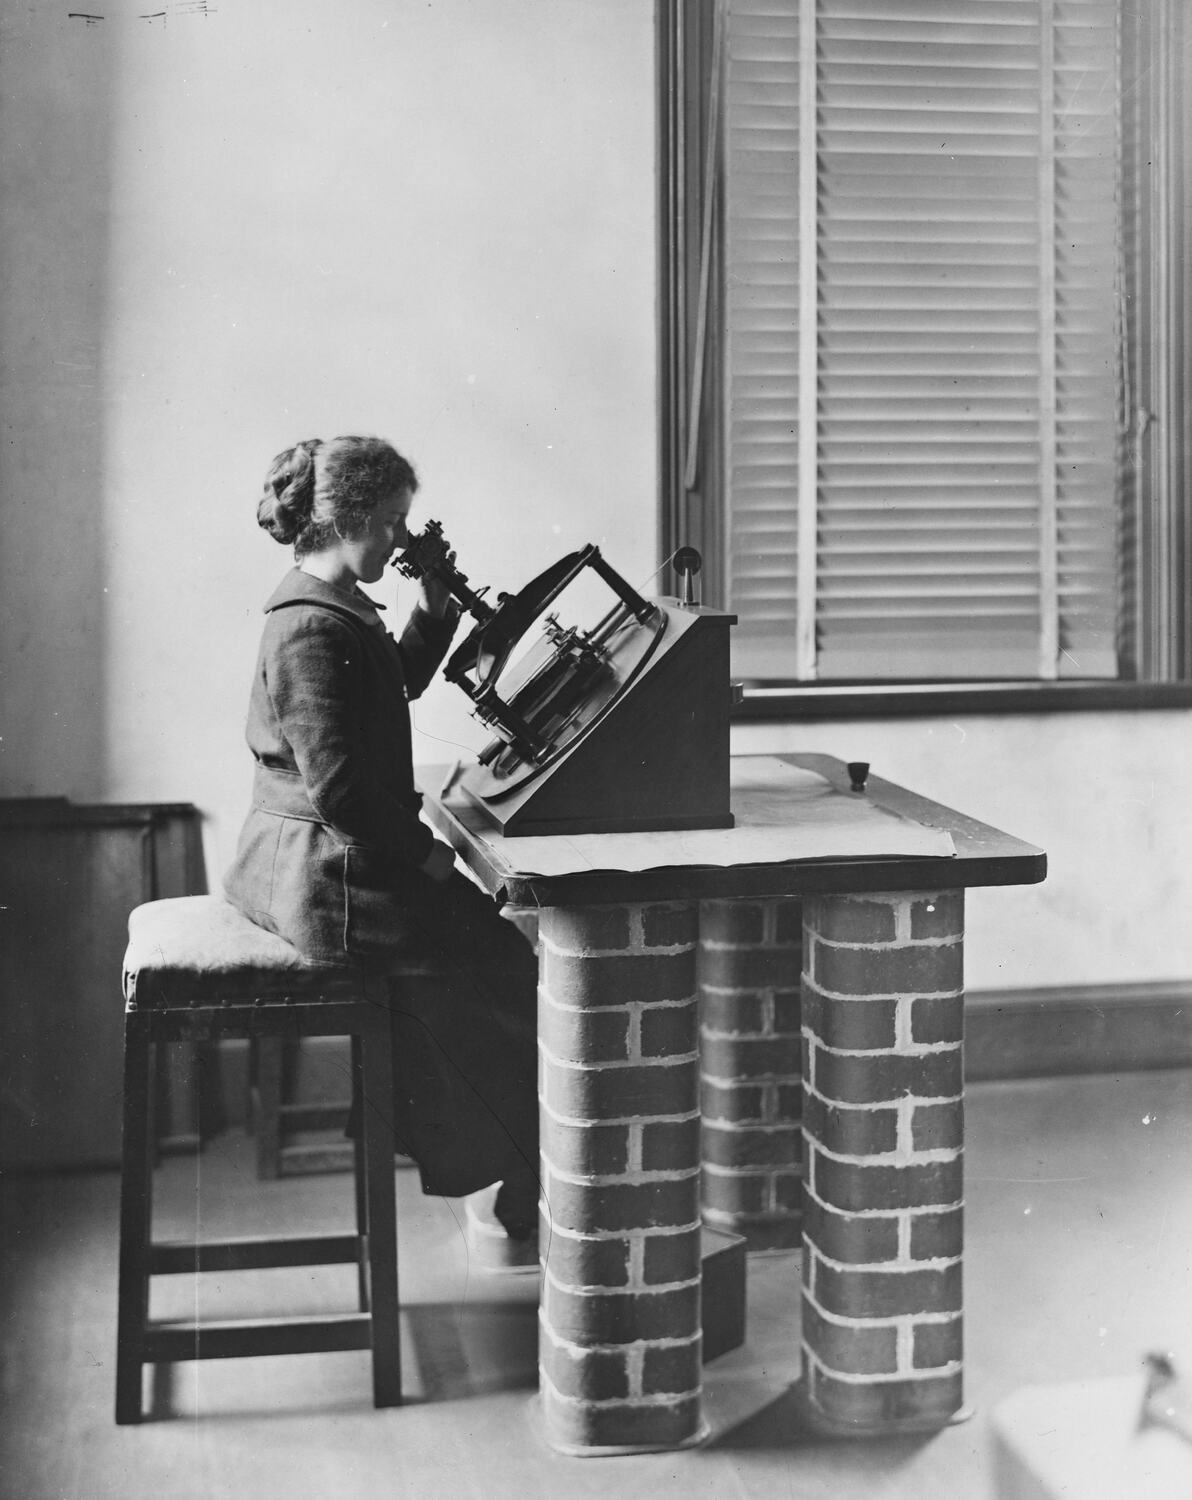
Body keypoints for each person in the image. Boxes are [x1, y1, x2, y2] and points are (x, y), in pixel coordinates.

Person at [223, 435, 540, 1257]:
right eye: (393, 522)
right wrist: (428, 855)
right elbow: (342, 794)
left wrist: (434, 608)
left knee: (498, 955)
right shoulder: (307, 629)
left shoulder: (332, 607)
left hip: (333, 855)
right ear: (349, 518)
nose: (401, 539)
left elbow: (393, 680)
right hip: (323, 875)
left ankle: (511, 1164)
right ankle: (519, 1172)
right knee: (502, 962)